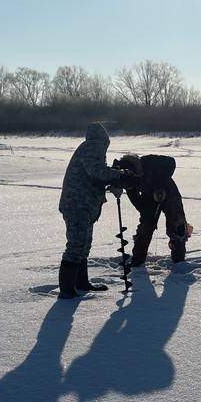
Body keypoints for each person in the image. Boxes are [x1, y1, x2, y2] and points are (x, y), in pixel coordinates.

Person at [57, 122, 134, 299]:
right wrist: (119, 174)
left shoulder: (88, 148)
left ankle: (81, 283)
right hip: (77, 205)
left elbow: (93, 177)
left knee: (83, 245)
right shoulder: (93, 147)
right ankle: (67, 290)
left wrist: (113, 178)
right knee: (76, 245)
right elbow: (96, 172)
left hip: (83, 205)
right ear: (104, 139)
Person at [122, 153, 190, 266]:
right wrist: (146, 213)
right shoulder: (128, 179)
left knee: (177, 226)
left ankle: (179, 260)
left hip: (170, 193)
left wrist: (160, 185)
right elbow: (136, 200)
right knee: (145, 227)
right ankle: (137, 260)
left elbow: (171, 162)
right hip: (149, 196)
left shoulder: (148, 162)